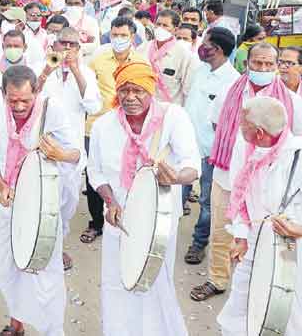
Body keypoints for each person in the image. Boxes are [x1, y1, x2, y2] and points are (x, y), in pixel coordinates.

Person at [194, 42, 302, 302]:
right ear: (247, 64)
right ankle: (217, 279)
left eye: (269, 64)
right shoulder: (230, 91)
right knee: (222, 231)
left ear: (276, 66)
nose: (263, 68)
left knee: (261, 234)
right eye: (257, 63)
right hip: (227, 177)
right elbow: (217, 123)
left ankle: (255, 285)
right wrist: (239, 150)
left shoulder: (290, 101)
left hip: (269, 183)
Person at [88, 60, 200, 336]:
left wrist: (175, 177)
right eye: (124, 90)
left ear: (151, 90)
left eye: (138, 90)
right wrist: (111, 201)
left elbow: (192, 165)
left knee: (155, 280)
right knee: (118, 280)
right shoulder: (104, 125)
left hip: (159, 219)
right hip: (119, 219)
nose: (130, 97)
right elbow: (96, 172)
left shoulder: (173, 117)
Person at [216, 97, 302, 336]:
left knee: (286, 306)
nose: (238, 128)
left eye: (243, 124)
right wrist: (240, 236)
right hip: (252, 241)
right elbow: (239, 197)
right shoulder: (243, 147)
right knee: (244, 300)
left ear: (259, 132)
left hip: (292, 246)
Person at [0, 65, 81, 336]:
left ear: (36, 92)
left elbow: (76, 154)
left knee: (46, 275)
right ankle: (16, 324)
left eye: (26, 100)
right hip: (8, 206)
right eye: (12, 100)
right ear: (3, 94)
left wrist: (59, 154)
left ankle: (52, 331)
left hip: (44, 206)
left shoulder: (53, 112)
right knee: (11, 268)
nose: (19, 106)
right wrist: (1, 185)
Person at [37, 27, 101, 270]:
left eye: (72, 44)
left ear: (79, 48)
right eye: (62, 43)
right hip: (42, 144)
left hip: (71, 150)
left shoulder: (86, 72)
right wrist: (46, 71)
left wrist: (75, 70)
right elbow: (29, 97)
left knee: (68, 202)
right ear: (54, 45)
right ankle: (38, 245)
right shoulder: (41, 65)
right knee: (42, 199)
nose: (66, 48)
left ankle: (58, 246)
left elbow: (93, 107)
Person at [81, 17, 148, 245]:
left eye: (123, 35)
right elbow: (87, 89)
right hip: (97, 125)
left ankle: (124, 217)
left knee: (123, 173)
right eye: (114, 35)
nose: (118, 39)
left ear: (132, 37)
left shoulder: (141, 62)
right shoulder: (98, 59)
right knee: (94, 175)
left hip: (129, 128)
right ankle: (96, 223)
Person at [182, 27, 239, 268]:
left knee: (207, 201)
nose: (200, 47)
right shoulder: (200, 70)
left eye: (204, 43)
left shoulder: (233, 81)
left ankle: (199, 241)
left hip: (210, 153)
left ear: (215, 49)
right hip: (184, 146)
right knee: (175, 192)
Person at [136, 9, 198, 105]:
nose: (160, 28)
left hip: (169, 110)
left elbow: (187, 89)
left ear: (175, 29)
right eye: (158, 24)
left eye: (165, 25)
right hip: (143, 106)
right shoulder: (142, 49)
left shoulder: (184, 55)